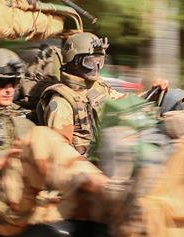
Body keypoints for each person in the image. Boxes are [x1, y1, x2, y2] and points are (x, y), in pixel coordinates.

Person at [0, 48, 110, 237]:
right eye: (1, 83)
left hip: (26, 201)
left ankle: (111, 191)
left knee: (105, 209)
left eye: (14, 82)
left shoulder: (16, 117)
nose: (9, 89)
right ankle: (104, 187)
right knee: (40, 136)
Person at [39, 32, 169, 157]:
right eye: (90, 62)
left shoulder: (98, 86)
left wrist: (152, 94)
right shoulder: (62, 102)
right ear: (73, 61)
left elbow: (125, 103)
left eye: (99, 61)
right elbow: (59, 153)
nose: (96, 67)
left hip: (113, 152)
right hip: (88, 168)